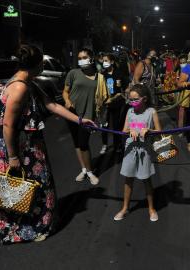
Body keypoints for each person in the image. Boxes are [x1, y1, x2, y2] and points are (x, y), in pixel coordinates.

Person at [0, 44, 95, 244]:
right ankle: (24, 230)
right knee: (20, 186)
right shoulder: (20, 87)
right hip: (19, 146)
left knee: (34, 185)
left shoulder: (28, 82)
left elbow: (52, 105)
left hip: (28, 144)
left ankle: (34, 225)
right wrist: (13, 157)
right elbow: (7, 125)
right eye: (41, 62)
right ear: (36, 64)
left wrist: (80, 120)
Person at [114, 84, 161, 222]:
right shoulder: (130, 112)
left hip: (144, 150)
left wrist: (149, 130)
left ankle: (151, 208)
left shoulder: (151, 112)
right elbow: (123, 131)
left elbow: (159, 132)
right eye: (130, 99)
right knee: (128, 179)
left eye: (135, 99)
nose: (132, 102)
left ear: (144, 99)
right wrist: (130, 131)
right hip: (130, 149)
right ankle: (125, 207)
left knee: (146, 179)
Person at [63, 48, 108, 185]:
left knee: (83, 143)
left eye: (84, 57)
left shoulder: (99, 77)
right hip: (71, 114)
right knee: (77, 142)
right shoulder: (73, 73)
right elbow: (65, 91)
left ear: (91, 58)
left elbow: (103, 97)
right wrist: (67, 101)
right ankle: (84, 169)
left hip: (88, 115)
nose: (81, 60)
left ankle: (89, 172)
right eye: (79, 58)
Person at [100, 53, 128, 154]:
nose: (104, 63)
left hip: (117, 104)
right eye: (103, 61)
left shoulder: (119, 73)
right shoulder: (102, 75)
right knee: (104, 125)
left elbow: (126, 88)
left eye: (106, 61)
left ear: (112, 62)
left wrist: (120, 95)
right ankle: (104, 144)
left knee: (116, 125)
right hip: (105, 105)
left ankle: (118, 145)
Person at [175, 54, 190, 130]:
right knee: (181, 110)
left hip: (188, 92)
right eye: (181, 63)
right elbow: (177, 81)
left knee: (187, 112)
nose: (182, 64)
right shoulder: (179, 70)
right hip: (181, 92)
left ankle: (185, 128)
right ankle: (180, 129)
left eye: (184, 62)